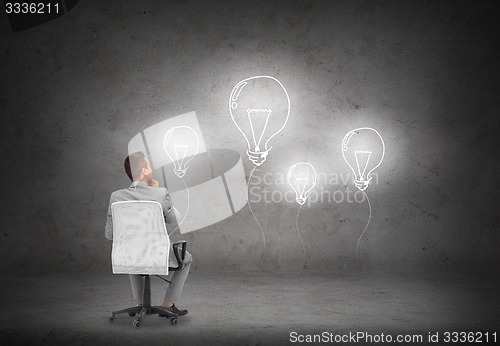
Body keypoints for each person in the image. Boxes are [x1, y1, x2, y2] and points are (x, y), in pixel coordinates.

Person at [105, 151, 192, 316]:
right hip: (156, 254)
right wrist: (157, 191)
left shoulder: (116, 197)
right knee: (186, 258)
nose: (151, 169)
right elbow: (173, 220)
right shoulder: (160, 193)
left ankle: (140, 304)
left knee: (133, 249)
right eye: (149, 166)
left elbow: (110, 234)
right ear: (144, 171)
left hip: (127, 255)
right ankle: (168, 304)